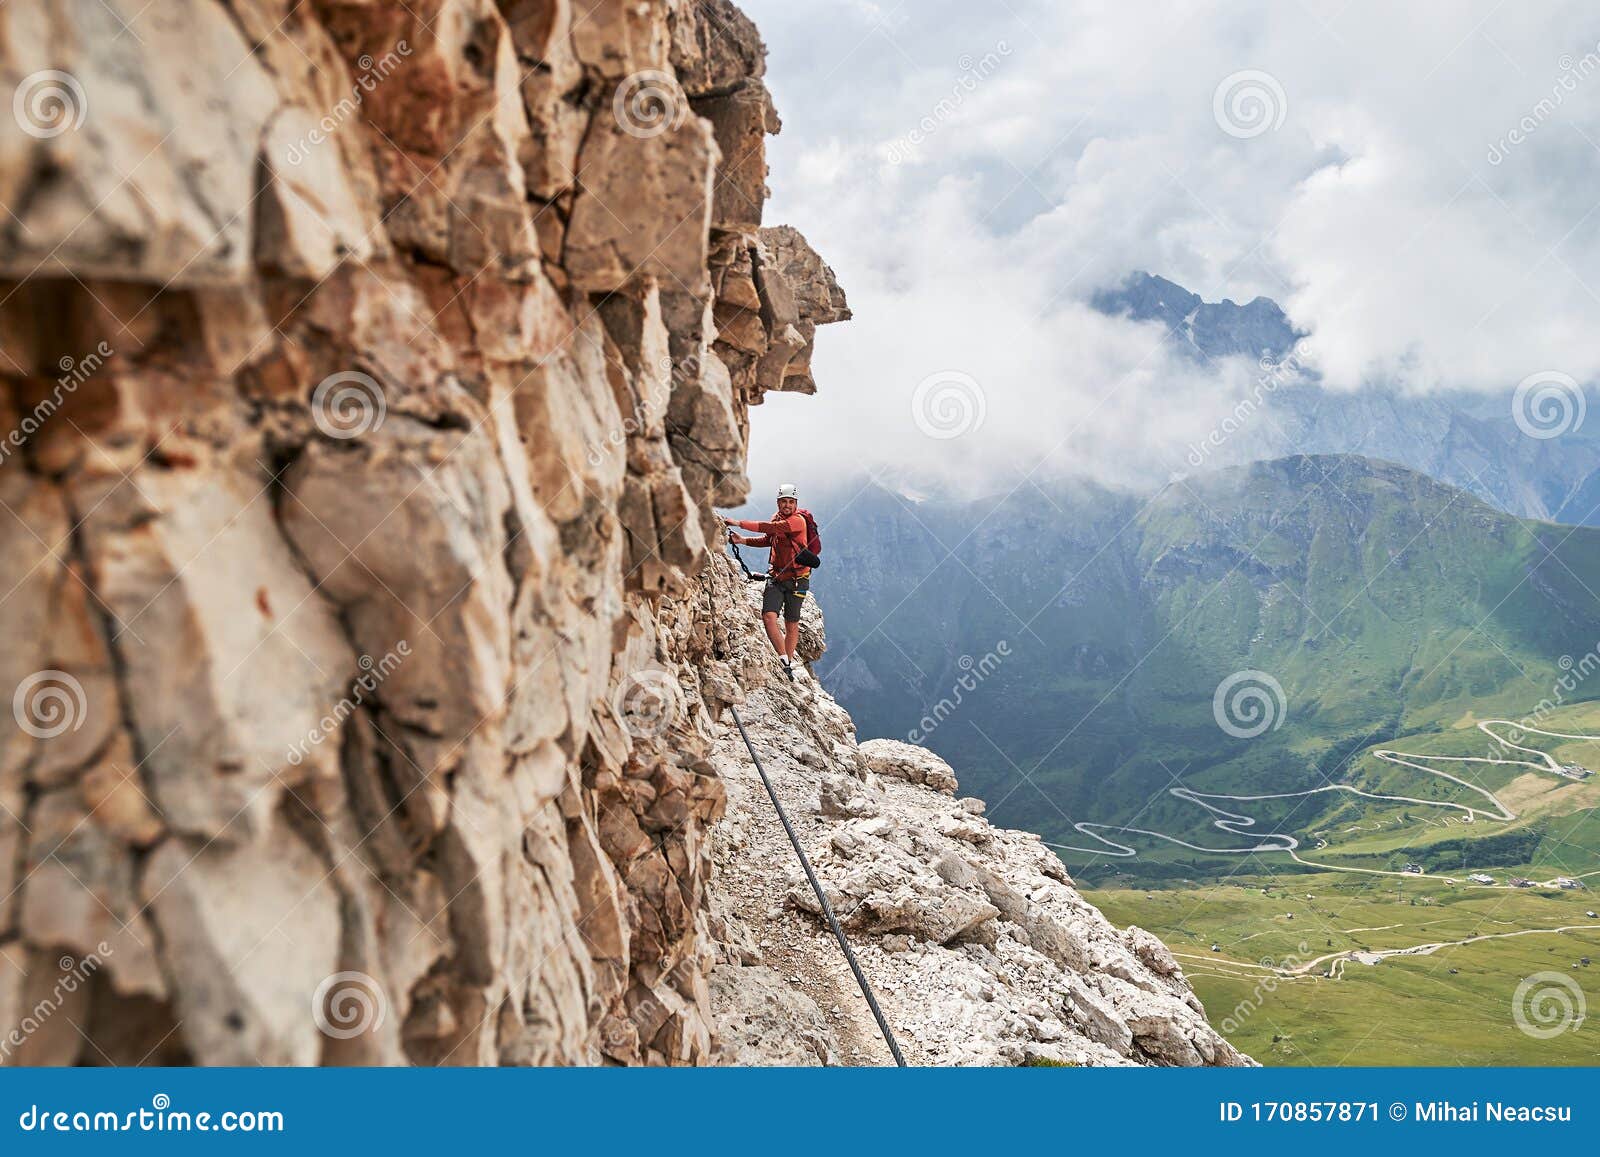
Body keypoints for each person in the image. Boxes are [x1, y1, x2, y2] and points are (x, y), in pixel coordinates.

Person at [728, 483, 811, 680]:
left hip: (797, 580)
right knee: (768, 616)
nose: (787, 505)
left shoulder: (797, 521)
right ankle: (784, 659)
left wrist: (739, 523)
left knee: (791, 624)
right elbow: (768, 538)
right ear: (778, 503)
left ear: (796, 504)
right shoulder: (777, 519)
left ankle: (787, 664)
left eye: (791, 502)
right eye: (784, 502)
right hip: (777, 577)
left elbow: (769, 528)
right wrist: (743, 541)